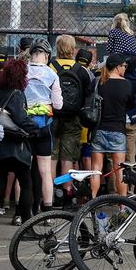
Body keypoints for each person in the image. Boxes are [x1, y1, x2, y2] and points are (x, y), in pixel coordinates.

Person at [49, 35, 91, 202]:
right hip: (74, 118)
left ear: (57, 48)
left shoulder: (51, 66)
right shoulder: (82, 71)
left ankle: (50, 190)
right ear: (73, 49)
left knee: (52, 156)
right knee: (68, 157)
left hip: (53, 116)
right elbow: (87, 96)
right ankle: (66, 191)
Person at [0, 59, 40, 225]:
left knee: (0, 179)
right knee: (26, 183)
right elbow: (22, 120)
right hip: (15, 145)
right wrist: (36, 128)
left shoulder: (0, 91)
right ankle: (26, 223)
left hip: (0, 143)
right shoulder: (16, 94)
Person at [24, 39, 62, 215]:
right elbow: (58, 105)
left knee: (23, 170)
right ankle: (47, 211)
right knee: (45, 171)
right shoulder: (52, 75)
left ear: (31, 53)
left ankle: (21, 212)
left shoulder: (22, 71)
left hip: (24, 126)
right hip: (44, 126)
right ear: (47, 56)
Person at [89, 54, 134, 198]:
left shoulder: (98, 82)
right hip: (118, 131)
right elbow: (130, 105)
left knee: (96, 169)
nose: (125, 69)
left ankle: (92, 202)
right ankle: (122, 205)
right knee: (119, 169)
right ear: (117, 67)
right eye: (124, 66)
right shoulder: (126, 84)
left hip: (99, 130)